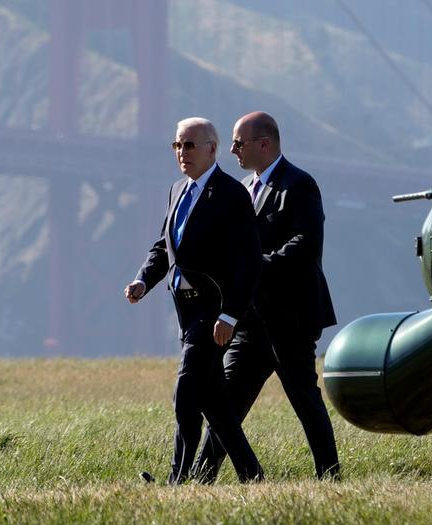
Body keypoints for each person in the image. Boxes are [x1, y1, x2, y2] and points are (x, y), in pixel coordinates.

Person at [191, 112, 341, 483]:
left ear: (265, 144)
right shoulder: (243, 188)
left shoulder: (300, 185)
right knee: (226, 404)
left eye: (238, 143)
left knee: (304, 400)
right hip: (250, 319)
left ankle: (330, 477)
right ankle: (199, 479)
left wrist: (254, 264)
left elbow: (306, 244)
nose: (232, 150)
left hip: (290, 317)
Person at [124, 117, 264, 485]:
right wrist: (142, 280)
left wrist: (231, 315)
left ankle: (177, 481)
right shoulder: (176, 191)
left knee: (186, 393)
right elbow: (164, 247)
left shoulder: (232, 195)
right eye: (177, 146)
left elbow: (249, 262)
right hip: (186, 311)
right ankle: (252, 474)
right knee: (214, 402)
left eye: (189, 145)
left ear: (212, 149)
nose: (182, 153)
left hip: (214, 311)